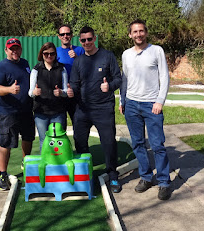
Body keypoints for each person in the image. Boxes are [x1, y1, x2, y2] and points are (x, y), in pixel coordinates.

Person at [120, 19, 171, 200]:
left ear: (146, 32)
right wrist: (122, 100)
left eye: (141, 31)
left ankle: (164, 182)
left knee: (157, 145)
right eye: (135, 32)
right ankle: (146, 177)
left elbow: (164, 77)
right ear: (130, 35)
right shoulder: (126, 54)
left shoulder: (156, 50)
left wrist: (160, 101)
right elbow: (124, 79)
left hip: (152, 105)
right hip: (131, 104)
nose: (138, 34)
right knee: (138, 143)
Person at [67, 26, 122, 193]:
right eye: (83, 40)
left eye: (89, 39)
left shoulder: (107, 56)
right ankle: (85, 174)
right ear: (80, 42)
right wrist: (70, 92)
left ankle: (112, 175)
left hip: (103, 108)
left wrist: (110, 86)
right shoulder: (79, 61)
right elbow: (75, 84)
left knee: (108, 142)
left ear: (95, 38)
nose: (86, 43)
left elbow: (118, 78)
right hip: (82, 109)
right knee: (80, 141)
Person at [0, 38, 35, 191]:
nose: (14, 51)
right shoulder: (0, 67)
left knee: (28, 137)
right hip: (7, 111)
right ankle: (2, 174)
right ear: (6, 50)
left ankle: (26, 162)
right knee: (6, 142)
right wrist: (9, 90)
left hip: (26, 109)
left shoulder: (25, 63)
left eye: (17, 48)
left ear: (20, 49)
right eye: (12, 49)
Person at [28, 42, 68, 150]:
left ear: (55, 54)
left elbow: (66, 91)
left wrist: (61, 92)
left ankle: (59, 164)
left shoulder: (62, 69)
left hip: (58, 111)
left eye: (52, 53)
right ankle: (45, 165)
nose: (49, 56)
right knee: (44, 140)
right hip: (41, 111)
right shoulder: (36, 70)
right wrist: (34, 92)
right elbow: (30, 92)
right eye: (46, 54)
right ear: (42, 54)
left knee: (59, 139)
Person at [56, 24, 85, 124]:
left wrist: (77, 58)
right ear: (59, 36)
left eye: (68, 34)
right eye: (62, 34)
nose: (65, 36)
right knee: (60, 125)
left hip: (76, 93)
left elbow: (87, 70)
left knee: (78, 124)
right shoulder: (55, 52)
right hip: (61, 93)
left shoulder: (80, 50)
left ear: (71, 35)